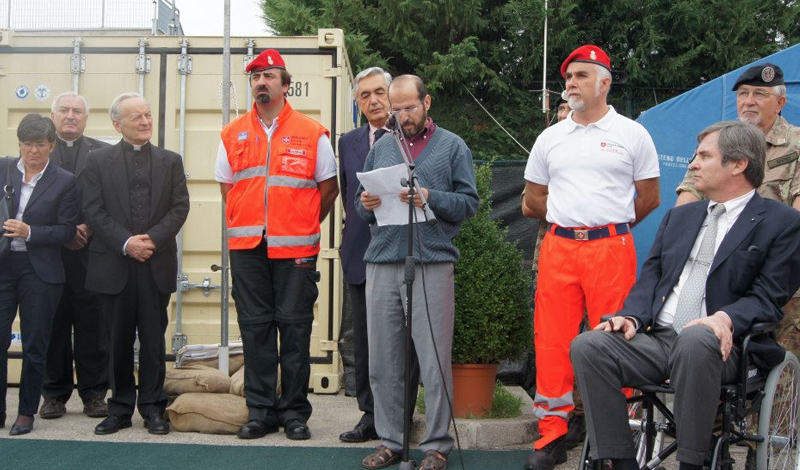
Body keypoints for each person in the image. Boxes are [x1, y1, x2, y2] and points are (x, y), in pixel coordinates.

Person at [571, 120, 800, 470]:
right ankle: (618, 461)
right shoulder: (679, 217)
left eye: (704, 156)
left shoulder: (781, 222)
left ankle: (692, 463)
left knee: (696, 338)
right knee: (589, 345)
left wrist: (724, 318)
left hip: (727, 347)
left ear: (738, 165)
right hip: (660, 339)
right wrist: (631, 316)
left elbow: (769, 295)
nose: (692, 163)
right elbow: (651, 278)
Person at [522, 45, 661, 470]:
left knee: (616, 340)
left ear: (605, 82)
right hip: (559, 247)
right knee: (552, 340)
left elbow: (649, 198)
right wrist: (572, 221)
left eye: (581, 75)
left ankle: (615, 440)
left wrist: (607, 227)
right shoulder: (551, 137)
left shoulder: (632, 134)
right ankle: (552, 435)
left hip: (610, 250)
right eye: (568, 77)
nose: (571, 83)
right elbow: (532, 199)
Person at [356, 75, 479, 470]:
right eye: (396, 110)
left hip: (431, 262)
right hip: (382, 261)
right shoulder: (382, 147)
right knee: (383, 360)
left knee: (433, 359)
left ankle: (437, 446)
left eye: (409, 107)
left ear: (427, 102)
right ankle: (391, 440)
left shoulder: (451, 146)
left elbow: (468, 203)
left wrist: (430, 196)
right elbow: (363, 209)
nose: (402, 116)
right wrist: (366, 201)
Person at [215, 49, 339, 441]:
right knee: (255, 331)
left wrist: (301, 223)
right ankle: (261, 411)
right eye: (255, 77)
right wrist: (251, 222)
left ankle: (295, 414)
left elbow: (329, 189)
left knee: (296, 330)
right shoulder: (232, 133)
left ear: (286, 86)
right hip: (248, 248)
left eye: (269, 76)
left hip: (296, 250)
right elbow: (227, 187)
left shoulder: (311, 131)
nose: (261, 82)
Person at [675, 63, 800, 366]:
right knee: (715, 360)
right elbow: (687, 203)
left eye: (760, 94)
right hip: (725, 271)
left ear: (780, 103)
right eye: (743, 94)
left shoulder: (796, 145)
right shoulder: (719, 143)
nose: (749, 101)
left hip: (781, 273)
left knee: (782, 369)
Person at [82, 92, 190, 436]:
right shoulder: (97, 161)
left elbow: (179, 207)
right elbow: (93, 210)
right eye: (136, 118)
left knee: (155, 341)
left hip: (155, 264)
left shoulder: (170, 160)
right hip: (114, 264)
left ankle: (154, 407)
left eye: (147, 115)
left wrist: (152, 240)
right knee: (116, 340)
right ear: (117, 124)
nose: (145, 122)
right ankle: (119, 408)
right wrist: (127, 243)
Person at [0, 114, 79, 435]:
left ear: (52, 146)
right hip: (4, 267)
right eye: (27, 144)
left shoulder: (64, 180)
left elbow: (67, 230)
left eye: (40, 144)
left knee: (35, 344)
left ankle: (26, 413)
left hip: (40, 271)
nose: (33, 151)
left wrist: (30, 231)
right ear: (19, 144)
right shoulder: (4, 168)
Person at [39, 92, 110, 420]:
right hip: (50, 255)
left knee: (92, 326)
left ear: (86, 117)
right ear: (52, 116)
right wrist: (65, 231)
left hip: (91, 255)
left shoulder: (105, 154)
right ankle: (53, 394)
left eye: (76, 111)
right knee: (53, 325)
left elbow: (112, 201)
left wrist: (89, 228)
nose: (70, 116)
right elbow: (28, 202)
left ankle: (95, 394)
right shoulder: (37, 153)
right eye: (64, 110)